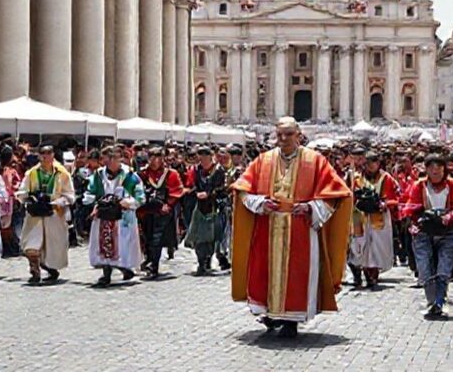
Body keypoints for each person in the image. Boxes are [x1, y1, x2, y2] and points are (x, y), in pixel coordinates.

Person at [229, 117, 352, 338]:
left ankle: (291, 321)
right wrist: (260, 203)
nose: (283, 139)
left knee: (297, 277)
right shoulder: (263, 160)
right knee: (265, 273)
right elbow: (243, 190)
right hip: (268, 227)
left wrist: (310, 207)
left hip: (301, 228)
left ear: (299, 135)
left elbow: (335, 194)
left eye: (288, 134)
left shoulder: (315, 161)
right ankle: (270, 313)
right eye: (279, 135)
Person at [403, 152, 453, 318]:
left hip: (448, 232)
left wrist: (451, 216)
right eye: (431, 167)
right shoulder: (419, 186)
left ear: (444, 169)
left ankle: (439, 300)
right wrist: (413, 223)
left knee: (444, 269)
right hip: (424, 231)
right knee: (424, 269)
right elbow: (410, 207)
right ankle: (431, 301)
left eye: (439, 167)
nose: (435, 171)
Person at [84, 146, 144, 287]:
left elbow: (140, 197)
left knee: (121, 246)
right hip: (103, 215)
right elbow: (90, 193)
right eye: (107, 158)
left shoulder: (129, 176)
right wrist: (95, 202)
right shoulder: (99, 175)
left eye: (114, 158)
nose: (109, 161)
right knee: (104, 243)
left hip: (122, 217)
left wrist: (127, 202)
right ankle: (106, 274)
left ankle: (125, 268)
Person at [16, 146, 75, 285]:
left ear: (53, 155)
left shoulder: (62, 173)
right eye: (42, 153)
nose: (45, 156)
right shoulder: (31, 173)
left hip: (54, 214)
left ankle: (51, 269)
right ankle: (34, 271)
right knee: (31, 245)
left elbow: (69, 195)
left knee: (53, 247)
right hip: (35, 215)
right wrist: (29, 199)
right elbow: (22, 192)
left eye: (48, 153)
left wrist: (56, 203)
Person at [346, 150, 399, 288]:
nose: (370, 166)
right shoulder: (356, 177)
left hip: (379, 216)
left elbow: (395, 198)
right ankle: (360, 272)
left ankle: (373, 275)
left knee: (377, 247)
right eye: (367, 163)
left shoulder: (386, 178)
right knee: (358, 245)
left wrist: (384, 204)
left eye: (373, 163)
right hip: (359, 216)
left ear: (378, 163)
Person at [138, 147, 184, 279]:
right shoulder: (143, 173)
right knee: (146, 237)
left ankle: (154, 265)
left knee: (156, 239)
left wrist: (168, 204)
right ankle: (148, 259)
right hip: (146, 211)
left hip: (163, 211)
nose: (155, 160)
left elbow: (177, 190)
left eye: (158, 156)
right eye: (152, 156)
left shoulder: (171, 173)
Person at [184, 146, 227, 275]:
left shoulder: (218, 170)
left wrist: (209, 194)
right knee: (198, 236)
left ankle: (208, 259)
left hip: (214, 207)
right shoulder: (196, 170)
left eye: (205, 156)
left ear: (210, 156)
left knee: (211, 236)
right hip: (199, 207)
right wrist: (194, 192)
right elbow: (192, 184)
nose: (203, 159)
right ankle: (201, 261)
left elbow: (221, 188)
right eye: (201, 156)